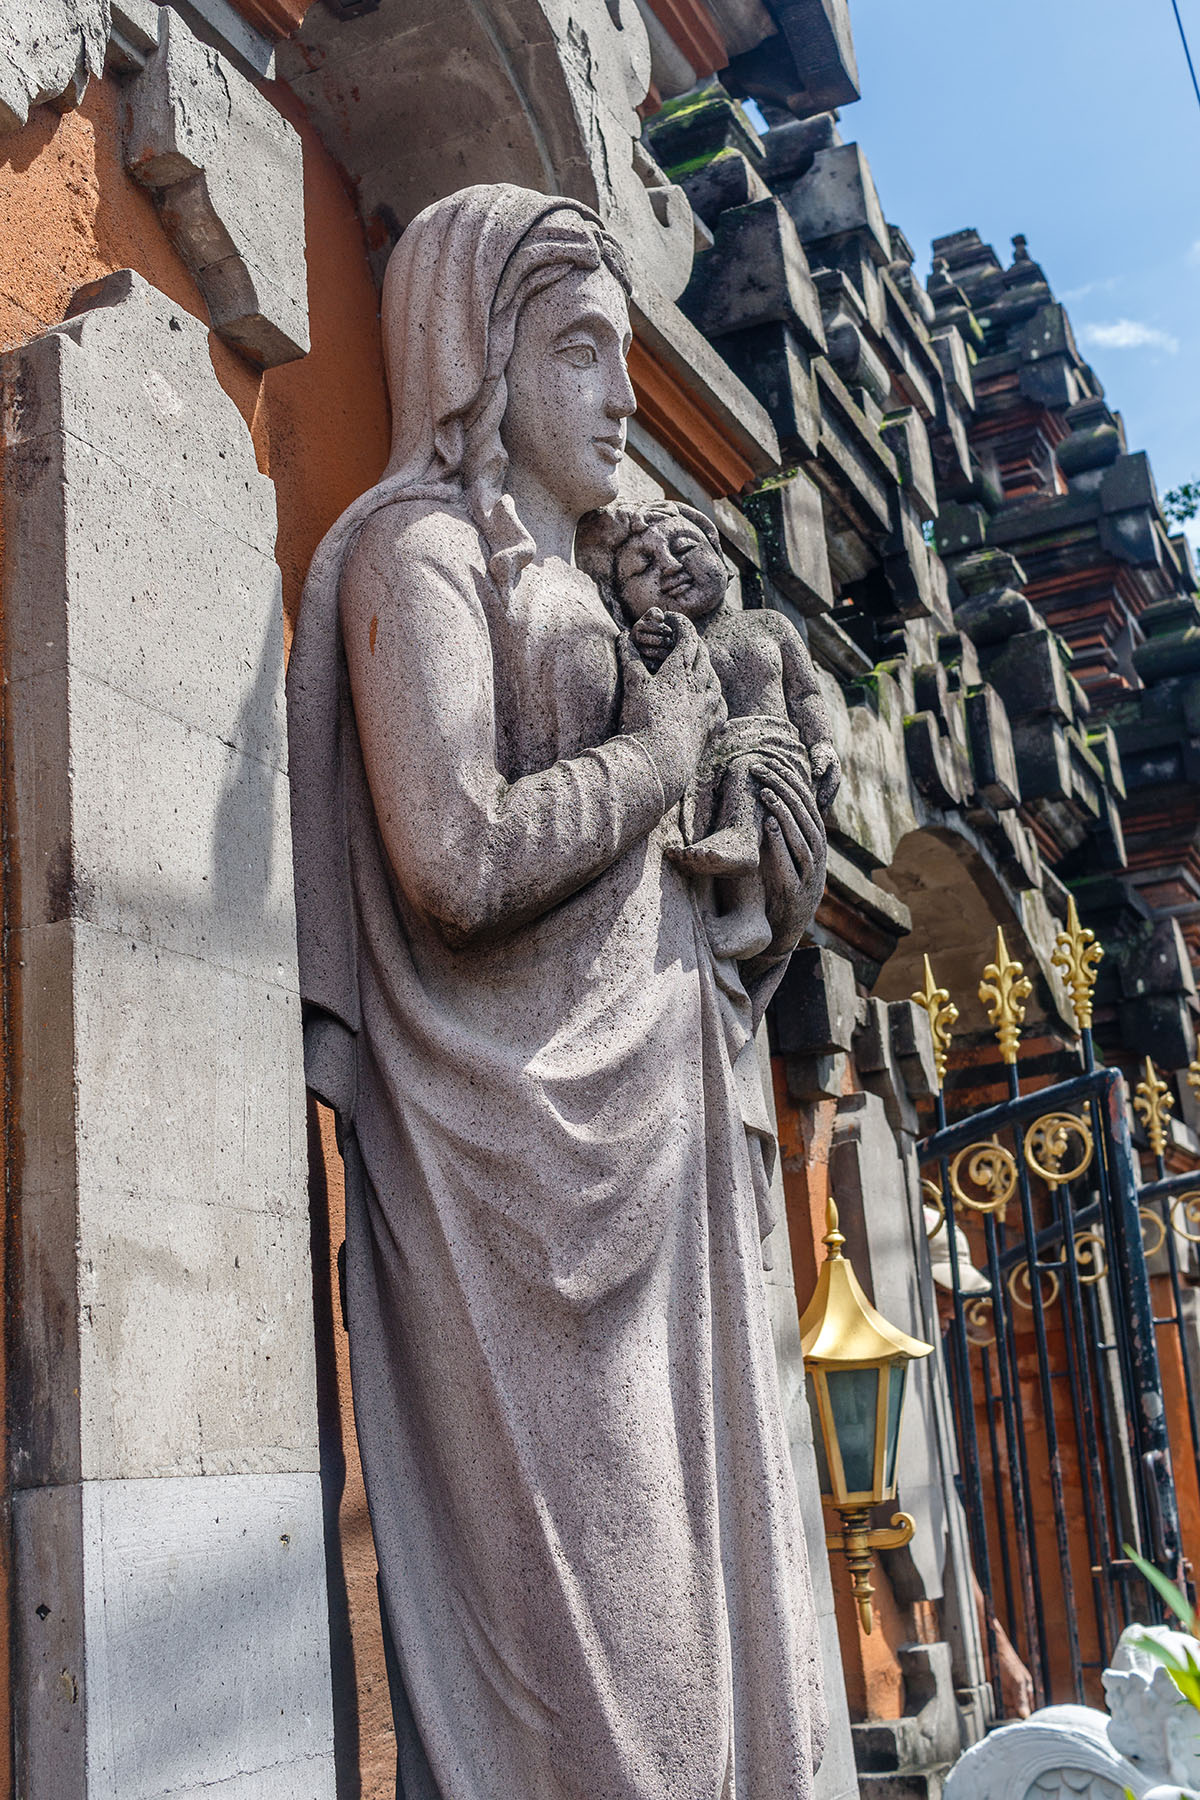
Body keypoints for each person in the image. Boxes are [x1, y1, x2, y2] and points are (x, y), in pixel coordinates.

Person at [287, 182, 830, 1800]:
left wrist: (748, 812)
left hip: (665, 1153)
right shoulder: (419, 552)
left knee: (719, 1622)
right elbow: (451, 855)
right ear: (474, 353)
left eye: (621, 354)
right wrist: (664, 754)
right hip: (521, 1178)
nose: (617, 394)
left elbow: (688, 868)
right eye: (580, 350)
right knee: (604, 1663)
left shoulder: (605, 588)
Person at [576, 499, 840, 960]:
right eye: (644, 568)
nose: (671, 566)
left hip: (774, 749)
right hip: (712, 764)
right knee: (734, 779)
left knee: (749, 775)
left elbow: (805, 695)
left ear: (720, 556)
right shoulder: (676, 643)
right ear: (622, 600)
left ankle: (746, 884)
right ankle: (748, 913)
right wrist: (642, 647)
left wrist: (822, 744)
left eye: (684, 547)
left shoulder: (769, 624)